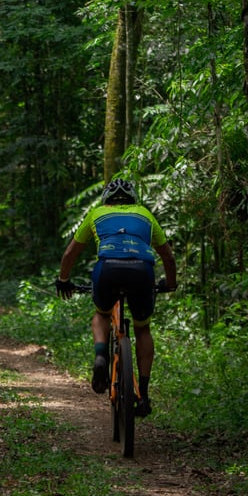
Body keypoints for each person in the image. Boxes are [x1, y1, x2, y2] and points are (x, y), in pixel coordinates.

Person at [55, 178, 177, 417]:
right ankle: (143, 394)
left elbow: (70, 254)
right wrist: (170, 284)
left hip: (108, 269)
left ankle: (101, 355)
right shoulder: (145, 214)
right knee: (142, 328)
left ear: (106, 199)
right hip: (142, 271)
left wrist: (63, 280)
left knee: (102, 314)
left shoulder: (97, 213)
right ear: (133, 198)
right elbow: (168, 257)